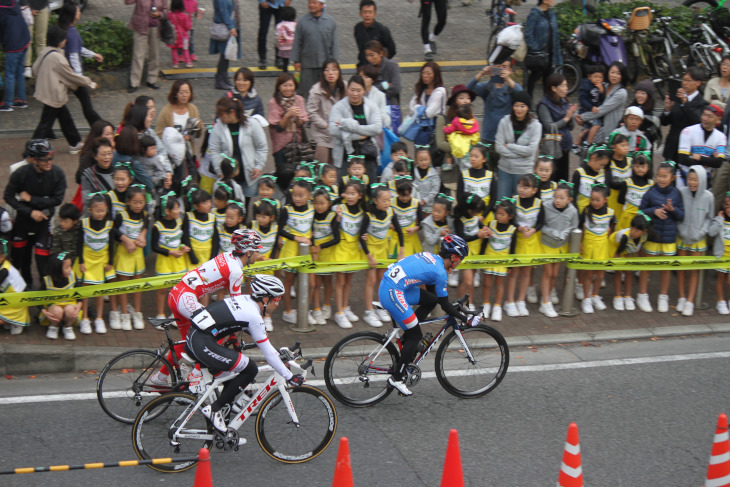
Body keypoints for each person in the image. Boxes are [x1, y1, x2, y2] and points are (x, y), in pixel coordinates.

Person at [185, 275, 303, 435]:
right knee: (250, 369)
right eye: (277, 299)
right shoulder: (254, 316)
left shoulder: (246, 300)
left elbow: (257, 337)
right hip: (202, 342)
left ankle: (223, 430)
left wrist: (277, 355)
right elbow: (267, 352)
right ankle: (214, 410)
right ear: (266, 298)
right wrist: (289, 376)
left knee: (233, 376)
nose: (278, 304)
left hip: (196, 336)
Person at [377, 234, 479, 396]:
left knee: (429, 301)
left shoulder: (432, 258)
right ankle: (396, 378)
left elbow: (437, 298)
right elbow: (444, 304)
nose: (461, 261)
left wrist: (456, 307)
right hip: (393, 292)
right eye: (460, 258)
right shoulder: (440, 272)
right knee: (416, 335)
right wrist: (466, 319)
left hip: (391, 286)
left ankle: (407, 340)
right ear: (453, 257)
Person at [4, 139, 66, 289]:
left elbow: (57, 200)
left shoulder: (57, 174)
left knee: (42, 262)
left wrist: (32, 199)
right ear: (33, 159)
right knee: (19, 260)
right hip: (23, 222)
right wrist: (30, 212)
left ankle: (44, 297)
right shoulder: (20, 174)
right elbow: (8, 196)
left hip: (44, 222)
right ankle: (23, 287)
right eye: (45, 159)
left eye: (51, 158)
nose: (49, 162)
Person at [31, 26, 98, 154]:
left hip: (47, 92)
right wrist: (89, 82)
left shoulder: (45, 52)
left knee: (64, 118)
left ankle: (75, 142)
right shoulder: (58, 58)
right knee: (45, 124)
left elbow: (34, 69)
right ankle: (32, 149)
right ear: (59, 41)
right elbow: (71, 76)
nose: (66, 41)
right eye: (64, 39)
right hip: (54, 95)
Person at [637, 161, 685, 313]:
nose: (661, 179)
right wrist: (654, 211)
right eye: (659, 176)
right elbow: (640, 211)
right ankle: (642, 295)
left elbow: (682, 215)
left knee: (666, 269)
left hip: (669, 238)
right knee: (647, 267)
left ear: (672, 178)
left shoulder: (677, 194)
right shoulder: (650, 193)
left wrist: (673, 209)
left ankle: (663, 296)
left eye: (665, 176)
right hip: (652, 236)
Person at [329, 75, 383, 183]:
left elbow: (377, 128)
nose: (355, 94)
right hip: (345, 154)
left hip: (367, 153)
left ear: (364, 91)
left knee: (369, 187)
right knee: (346, 188)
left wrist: (352, 127)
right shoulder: (339, 107)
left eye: (358, 90)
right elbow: (333, 130)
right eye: (352, 90)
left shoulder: (371, 106)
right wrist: (357, 136)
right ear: (347, 89)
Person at [676, 165, 714, 317]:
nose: (692, 182)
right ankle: (682, 297)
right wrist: (681, 229)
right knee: (681, 268)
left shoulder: (708, 196)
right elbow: (677, 213)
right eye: (690, 179)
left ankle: (690, 301)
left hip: (698, 239)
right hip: (682, 236)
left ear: (702, 180)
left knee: (694, 271)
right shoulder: (681, 192)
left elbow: (709, 218)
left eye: (696, 179)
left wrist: (701, 232)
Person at [57, 2, 103, 127]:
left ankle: (47, 130)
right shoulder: (72, 33)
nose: (80, 13)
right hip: (73, 75)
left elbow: (77, 49)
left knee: (54, 106)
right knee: (87, 107)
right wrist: (80, 77)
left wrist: (92, 55)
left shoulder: (62, 29)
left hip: (62, 73)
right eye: (78, 11)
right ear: (72, 15)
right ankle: (100, 127)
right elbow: (74, 56)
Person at [76, 192, 115, 332]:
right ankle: (85, 318)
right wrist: (81, 261)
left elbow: (111, 245)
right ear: (90, 210)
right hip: (87, 260)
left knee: (100, 290)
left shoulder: (109, 224)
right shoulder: (84, 223)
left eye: (103, 211)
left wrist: (110, 261)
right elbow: (79, 244)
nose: (100, 214)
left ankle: (99, 318)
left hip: (102, 261)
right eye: (97, 211)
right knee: (86, 290)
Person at [539, 182, 578, 317]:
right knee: (548, 273)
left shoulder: (572, 211)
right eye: (556, 197)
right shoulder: (545, 206)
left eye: (561, 198)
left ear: (569, 200)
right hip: (547, 244)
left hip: (561, 246)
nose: (558, 200)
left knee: (555, 274)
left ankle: (546, 296)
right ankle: (545, 302)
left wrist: (565, 233)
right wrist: (552, 232)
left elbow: (574, 226)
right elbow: (541, 225)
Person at [495, 91, 542, 200]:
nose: (519, 109)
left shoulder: (536, 126)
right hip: (504, 170)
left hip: (524, 171)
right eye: (516, 105)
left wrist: (510, 146)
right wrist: (521, 154)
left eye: (522, 106)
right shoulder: (504, 122)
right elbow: (498, 147)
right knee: (501, 204)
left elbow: (531, 151)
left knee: (521, 205)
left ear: (528, 107)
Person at [467, 60, 523, 148]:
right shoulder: (488, 86)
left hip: (506, 137)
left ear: (510, 70)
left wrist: (508, 79)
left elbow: (522, 95)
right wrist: (481, 73)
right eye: (498, 67)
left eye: (504, 67)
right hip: (488, 136)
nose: (501, 69)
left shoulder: (512, 87)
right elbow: (467, 89)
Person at [578, 184, 614, 314]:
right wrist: (580, 244)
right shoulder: (586, 211)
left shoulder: (610, 212)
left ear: (605, 200)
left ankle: (595, 295)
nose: (595, 202)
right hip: (589, 245)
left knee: (600, 274)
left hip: (602, 247)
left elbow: (611, 228)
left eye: (598, 200)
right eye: (592, 199)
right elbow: (579, 229)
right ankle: (586, 298)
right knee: (588, 273)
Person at [291, 0, 338, 97]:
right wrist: (296, 60)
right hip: (307, 65)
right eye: (310, 2)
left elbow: (334, 44)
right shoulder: (302, 22)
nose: (311, 5)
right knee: (306, 93)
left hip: (325, 66)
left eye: (314, 3)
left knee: (326, 93)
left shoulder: (330, 22)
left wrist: (334, 63)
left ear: (321, 5)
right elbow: (297, 42)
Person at [661, 67, 708, 163]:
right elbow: (664, 122)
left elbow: (697, 122)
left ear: (698, 83)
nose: (685, 83)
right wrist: (667, 109)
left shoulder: (703, 104)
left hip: (689, 150)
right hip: (672, 147)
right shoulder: (677, 98)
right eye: (684, 80)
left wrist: (685, 103)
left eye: (689, 81)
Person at [480, 198, 517, 322]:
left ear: (510, 216)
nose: (499, 216)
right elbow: (484, 242)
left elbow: (513, 248)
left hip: (503, 261)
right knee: (487, 283)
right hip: (489, 258)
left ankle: (497, 306)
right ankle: (486, 304)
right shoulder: (491, 224)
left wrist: (510, 266)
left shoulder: (513, 229)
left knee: (499, 284)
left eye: (502, 214)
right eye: (498, 213)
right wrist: (480, 257)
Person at [536, 73, 576, 181]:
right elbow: (550, 126)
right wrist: (566, 119)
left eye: (566, 86)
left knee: (563, 179)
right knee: (550, 179)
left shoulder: (564, 102)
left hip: (565, 146)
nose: (566, 89)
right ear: (553, 88)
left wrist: (571, 115)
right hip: (551, 148)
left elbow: (571, 127)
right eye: (562, 86)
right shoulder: (544, 105)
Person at [576, 62, 628, 144]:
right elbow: (587, 98)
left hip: (609, 132)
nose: (614, 76)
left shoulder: (621, 93)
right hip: (594, 127)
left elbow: (603, 109)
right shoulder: (603, 85)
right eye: (612, 72)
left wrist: (583, 117)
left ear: (622, 76)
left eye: (618, 73)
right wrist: (580, 114)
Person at [307, 58, 346, 164]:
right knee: (322, 168)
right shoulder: (316, 90)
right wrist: (326, 126)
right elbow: (312, 112)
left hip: (339, 133)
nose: (331, 73)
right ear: (323, 73)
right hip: (322, 134)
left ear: (339, 72)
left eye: (334, 69)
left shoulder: (345, 88)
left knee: (335, 169)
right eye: (327, 70)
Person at [677, 105, 726, 187]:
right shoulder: (688, 131)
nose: (705, 119)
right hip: (684, 176)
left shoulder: (721, 137)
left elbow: (718, 163)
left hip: (705, 178)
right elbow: (682, 159)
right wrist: (709, 161)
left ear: (718, 119)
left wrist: (700, 158)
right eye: (704, 115)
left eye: (710, 116)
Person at [610, 214, 649, 311]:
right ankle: (617, 296)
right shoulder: (625, 236)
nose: (633, 232)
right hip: (615, 246)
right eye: (632, 228)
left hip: (628, 250)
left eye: (636, 230)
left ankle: (628, 296)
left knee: (628, 272)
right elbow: (618, 251)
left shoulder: (645, 236)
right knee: (618, 271)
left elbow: (635, 249)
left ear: (643, 231)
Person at [524, 0, 561, 99]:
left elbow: (555, 36)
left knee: (548, 81)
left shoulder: (551, 14)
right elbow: (528, 33)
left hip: (550, 54)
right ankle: (528, 102)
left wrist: (558, 56)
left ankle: (545, 105)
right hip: (539, 55)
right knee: (534, 78)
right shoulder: (535, 14)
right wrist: (536, 49)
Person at [125, 0, 165, 93]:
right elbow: (127, 2)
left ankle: (152, 80)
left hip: (156, 27)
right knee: (138, 55)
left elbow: (165, 10)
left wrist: (159, 14)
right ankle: (134, 83)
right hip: (140, 27)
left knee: (155, 54)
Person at [0, 0, 31, 112]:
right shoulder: (14, 4)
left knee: (10, 74)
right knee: (19, 73)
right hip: (24, 41)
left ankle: (8, 103)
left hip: (12, 45)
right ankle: (21, 100)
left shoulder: (1, 10)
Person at [408, 61, 446, 145]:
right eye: (423, 73)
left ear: (435, 75)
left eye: (428, 74)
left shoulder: (440, 92)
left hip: (434, 128)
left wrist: (418, 109)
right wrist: (421, 110)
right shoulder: (421, 90)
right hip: (421, 128)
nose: (425, 76)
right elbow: (411, 106)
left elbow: (429, 113)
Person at [0, 238, 30, 335]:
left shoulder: (4, 270)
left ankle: (14, 321)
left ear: (2, 257)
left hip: (16, 303)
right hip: (8, 299)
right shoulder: (4, 264)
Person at [573, 65, 606, 152]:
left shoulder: (601, 86)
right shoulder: (586, 85)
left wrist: (602, 91)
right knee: (597, 124)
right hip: (587, 111)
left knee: (587, 129)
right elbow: (582, 99)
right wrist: (590, 107)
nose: (598, 79)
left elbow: (603, 100)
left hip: (594, 111)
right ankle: (588, 143)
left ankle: (575, 144)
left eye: (600, 77)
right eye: (595, 77)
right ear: (589, 77)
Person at [355, 0, 396, 67]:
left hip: (378, 67)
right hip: (363, 66)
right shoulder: (358, 28)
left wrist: (380, 62)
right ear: (360, 13)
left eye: (370, 12)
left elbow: (392, 50)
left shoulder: (382, 30)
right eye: (365, 12)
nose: (367, 15)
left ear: (375, 14)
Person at [210, 0, 240, 90]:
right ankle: (220, 80)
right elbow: (224, 12)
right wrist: (231, 26)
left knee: (226, 56)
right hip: (224, 29)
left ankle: (224, 78)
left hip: (228, 27)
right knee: (224, 55)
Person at [364, 40, 401, 105]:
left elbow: (396, 88)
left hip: (390, 106)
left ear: (381, 53)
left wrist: (378, 97)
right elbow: (366, 89)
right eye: (367, 55)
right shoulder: (367, 69)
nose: (369, 59)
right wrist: (384, 85)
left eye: (372, 55)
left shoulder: (392, 66)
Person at [710, 194, 730, 315]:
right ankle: (721, 301)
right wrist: (719, 220)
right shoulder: (720, 220)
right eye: (727, 205)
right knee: (721, 278)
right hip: (722, 255)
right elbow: (711, 233)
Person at [629, 79, 661, 152]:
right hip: (628, 147)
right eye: (637, 92)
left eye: (643, 93)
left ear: (648, 96)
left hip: (644, 149)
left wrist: (641, 134)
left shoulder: (652, 114)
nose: (639, 95)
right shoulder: (631, 109)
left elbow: (653, 134)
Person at [257, 0, 290, 69]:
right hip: (267, 4)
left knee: (281, 32)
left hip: (281, 4)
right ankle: (262, 58)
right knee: (263, 31)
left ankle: (279, 57)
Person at [166, 0, 193, 68]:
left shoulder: (170, 15)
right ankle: (188, 62)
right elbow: (187, 26)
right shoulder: (184, 15)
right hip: (183, 35)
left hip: (173, 35)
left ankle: (175, 63)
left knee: (174, 49)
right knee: (185, 49)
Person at [274, 5, 296, 71]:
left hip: (283, 47)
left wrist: (277, 45)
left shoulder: (279, 25)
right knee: (295, 60)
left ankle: (285, 72)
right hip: (293, 47)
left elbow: (277, 36)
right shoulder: (295, 24)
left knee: (285, 61)